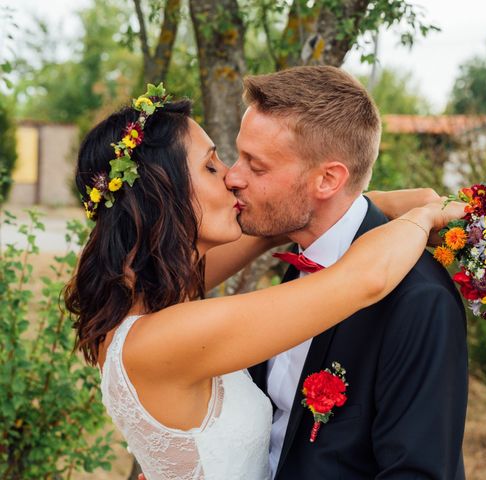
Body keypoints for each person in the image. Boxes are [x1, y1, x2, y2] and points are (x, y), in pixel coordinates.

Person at [65, 83, 465, 480]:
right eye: (211, 166)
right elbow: (363, 279)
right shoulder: (163, 337)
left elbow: (278, 225)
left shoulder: (146, 288)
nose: (232, 177)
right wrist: (425, 216)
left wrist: (367, 201)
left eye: (250, 165)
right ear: (163, 196)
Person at [223, 66, 469, 480]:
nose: (233, 176)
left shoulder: (420, 300)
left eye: (256, 166)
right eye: (238, 155)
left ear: (328, 180)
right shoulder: (301, 254)